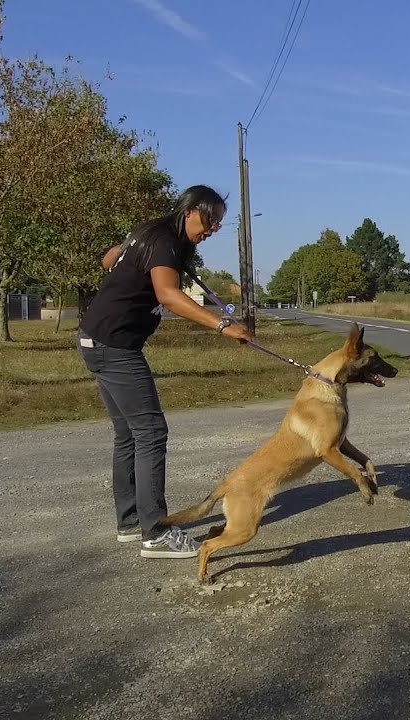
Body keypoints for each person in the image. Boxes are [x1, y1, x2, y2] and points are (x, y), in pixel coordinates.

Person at [77, 185, 253, 559]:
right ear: (189, 210)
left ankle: (129, 523)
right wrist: (221, 326)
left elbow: (109, 260)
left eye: (218, 224)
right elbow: (168, 295)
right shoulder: (163, 241)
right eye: (209, 220)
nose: (211, 229)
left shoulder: (149, 233)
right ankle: (156, 534)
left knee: (128, 435)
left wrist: (131, 251)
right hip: (115, 347)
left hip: (95, 339)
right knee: (151, 432)